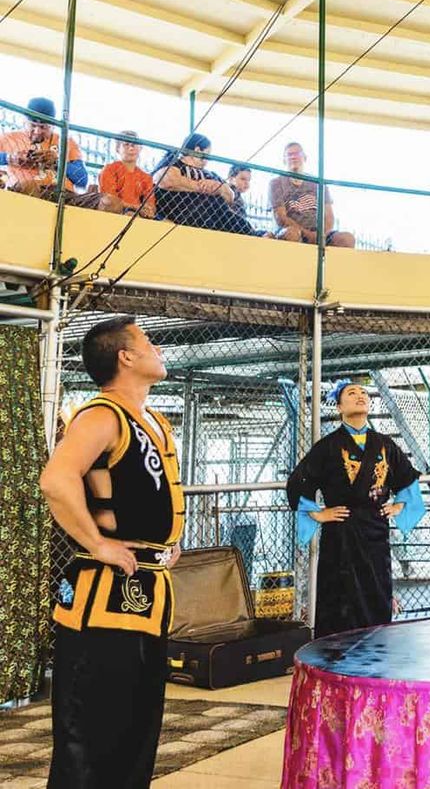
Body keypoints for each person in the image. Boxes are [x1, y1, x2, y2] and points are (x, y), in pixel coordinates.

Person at [39, 317, 184, 788]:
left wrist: (167, 543)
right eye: (148, 341)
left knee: (136, 734)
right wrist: (97, 543)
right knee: (93, 734)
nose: (157, 348)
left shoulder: (152, 421)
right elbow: (56, 480)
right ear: (125, 356)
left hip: (147, 594)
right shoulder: (102, 415)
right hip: (103, 600)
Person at [285, 380, 423, 636]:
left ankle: (375, 652)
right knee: (338, 598)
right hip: (341, 534)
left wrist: (398, 505)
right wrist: (319, 513)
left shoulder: (385, 444)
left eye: (363, 393)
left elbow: (407, 477)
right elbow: (298, 482)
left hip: (375, 532)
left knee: (376, 593)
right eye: (351, 393)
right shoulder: (327, 446)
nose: (360, 396)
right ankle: (335, 656)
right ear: (339, 407)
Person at [0, 96, 119, 210]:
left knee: (111, 202)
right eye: (33, 125)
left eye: (43, 127)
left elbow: (82, 180)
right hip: (29, 189)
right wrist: (9, 158)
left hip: (64, 194)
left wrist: (57, 163)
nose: (37, 131)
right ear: (24, 121)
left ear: (52, 126)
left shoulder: (67, 142)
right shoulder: (9, 138)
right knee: (29, 186)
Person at [269, 141, 356, 247]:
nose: (293, 157)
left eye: (297, 153)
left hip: (319, 233)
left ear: (305, 158)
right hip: (293, 231)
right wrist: (308, 234)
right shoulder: (276, 183)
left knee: (347, 239)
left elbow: (329, 216)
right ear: (284, 160)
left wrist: (321, 235)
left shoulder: (318, 184)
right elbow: (280, 217)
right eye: (289, 154)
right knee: (292, 234)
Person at [151, 132, 235, 230]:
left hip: (218, 214)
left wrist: (219, 187)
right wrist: (203, 187)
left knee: (239, 223)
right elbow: (168, 180)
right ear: (198, 150)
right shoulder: (173, 164)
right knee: (202, 215)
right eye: (208, 154)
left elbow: (231, 196)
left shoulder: (211, 174)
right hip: (187, 210)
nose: (208, 160)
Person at [99, 129, 156, 217]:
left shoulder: (146, 177)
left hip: (138, 212)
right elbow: (110, 200)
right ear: (117, 148)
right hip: (116, 210)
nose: (131, 148)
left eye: (134, 145)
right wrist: (136, 207)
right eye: (126, 144)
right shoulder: (110, 169)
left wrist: (148, 209)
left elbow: (150, 203)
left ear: (140, 148)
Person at [225, 163, 263, 236]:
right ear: (231, 179)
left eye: (249, 180)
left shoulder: (238, 195)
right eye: (243, 179)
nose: (246, 183)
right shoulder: (231, 192)